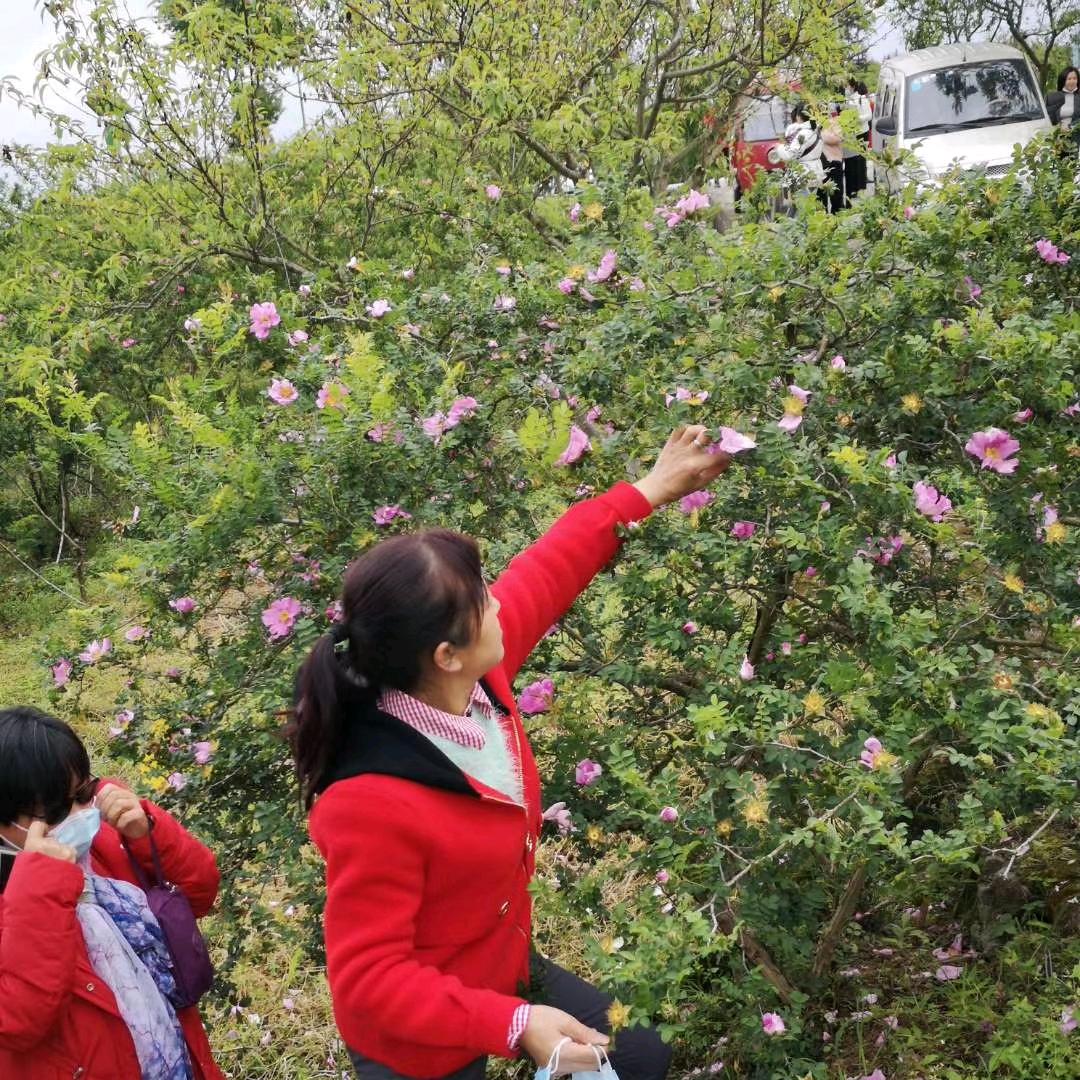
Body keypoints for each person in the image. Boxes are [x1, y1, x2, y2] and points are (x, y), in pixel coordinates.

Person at [288, 426, 732, 1080]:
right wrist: (514, 1025)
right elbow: (369, 982)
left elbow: (549, 567)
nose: (501, 602)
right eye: (483, 602)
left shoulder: (476, 686)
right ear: (446, 654)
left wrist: (652, 488)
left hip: (500, 967)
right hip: (418, 1030)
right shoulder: (367, 803)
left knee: (638, 1058)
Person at [0, 706, 224, 1080]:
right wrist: (40, 884)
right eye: (55, 808)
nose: (76, 813)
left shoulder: (103, 842)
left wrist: (148, 833)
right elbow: (18, 1018)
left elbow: (201, 894)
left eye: (82, 792)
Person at [842, 78, 873, 200]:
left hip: (862, 132)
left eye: (847, 86)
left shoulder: (861, 98)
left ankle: (861, 186)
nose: (846, 89)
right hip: (851, 133)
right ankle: (853, 187)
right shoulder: (847, 100)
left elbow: (869, 115)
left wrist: (858, 118)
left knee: (861, 159)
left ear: (852, 86)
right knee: (852, 161)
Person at [1047, 67, 1080, 151]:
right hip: (1058, 144)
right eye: (1069, 79)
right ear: (1063, 80)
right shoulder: (1052, 97)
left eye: (1074, 78)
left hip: (1076, 144)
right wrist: (1058, 127)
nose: (1072, 81)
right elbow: (1048, 121)